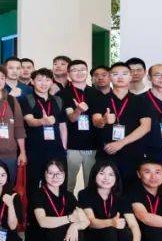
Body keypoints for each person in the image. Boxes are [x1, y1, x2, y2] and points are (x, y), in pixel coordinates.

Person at [27, 160, 90, 241]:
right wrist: (69, 219)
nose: (55, 177)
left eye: (59, 173)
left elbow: (85, 221)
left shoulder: (68, 195)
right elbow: (43, 222)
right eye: (51, 173)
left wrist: (74, 226)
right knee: (56, 226)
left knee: (77, 229)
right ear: (44, 174)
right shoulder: (38, 194)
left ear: (64, 175)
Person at [92, 62, 151, 182]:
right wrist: (104, 120)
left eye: (124, 74)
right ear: (109, 77)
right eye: (115, 74)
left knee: (131, 188)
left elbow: (146, 126)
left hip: (133, 153)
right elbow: (96, 122)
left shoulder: (141, 100)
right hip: (107, 152)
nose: (120, 77)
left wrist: (121, 143)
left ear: (130, 77)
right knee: (106, 187)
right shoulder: (99, 99)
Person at [19, 69, 67, 193]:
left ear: (52, 82)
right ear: (32, 81)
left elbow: (62, 126)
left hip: (56, 149)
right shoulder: (26, 99)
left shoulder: (58, 100)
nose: (43, 83)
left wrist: (64, 147)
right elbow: (29, 120)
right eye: (39, 80)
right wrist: (42, 121)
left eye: (47, 80)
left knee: (57, 183)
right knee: (33, 184)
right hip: (35, 150)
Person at [61, 59, 103, 191]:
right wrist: (78, 110)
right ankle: (67, 204)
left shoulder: (96, 93)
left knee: (91, 184)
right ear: (68, 74)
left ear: (87, 72)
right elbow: (71, 118)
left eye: (82, 70)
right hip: (71, 146)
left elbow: (98, 120)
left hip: (93, 146)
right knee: (68, 183)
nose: (79, 73)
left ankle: (88, 205)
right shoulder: (63, 93)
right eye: (74, 70)